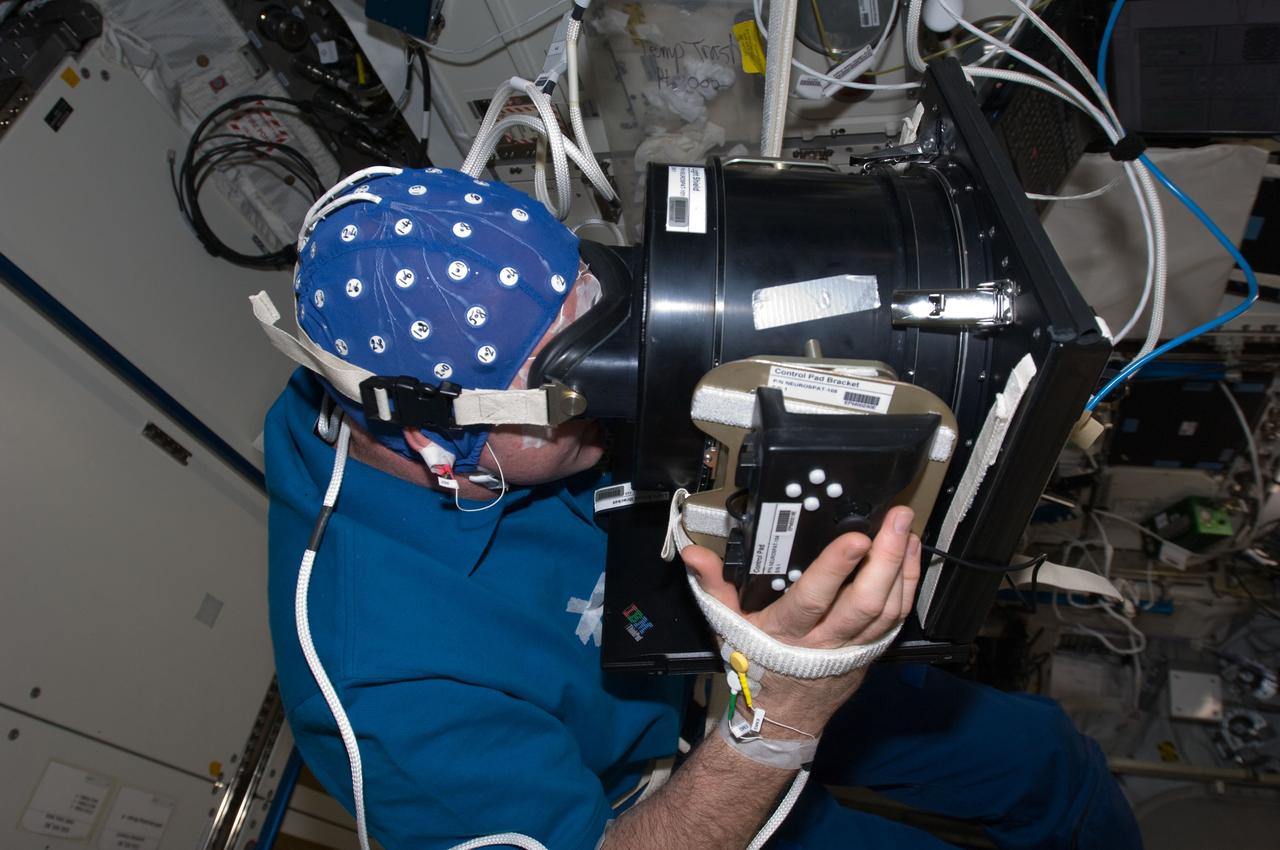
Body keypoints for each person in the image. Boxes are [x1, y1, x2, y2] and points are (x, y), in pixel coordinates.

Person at [259, 166, 1142, 849]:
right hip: (657, 795)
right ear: (434, 441)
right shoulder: (377, 682)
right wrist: (775, 723)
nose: (618, 395)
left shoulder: (461, 353)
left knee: (1044, 759)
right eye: (575, 389)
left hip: (709, 643)